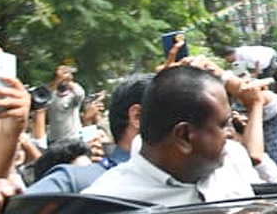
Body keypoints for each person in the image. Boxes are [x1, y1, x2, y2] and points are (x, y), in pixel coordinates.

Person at [83, 65, 256, 205]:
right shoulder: (107, 203)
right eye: (223, 124)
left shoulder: (234, 158)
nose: (230, 133)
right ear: (184, 136)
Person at [45, 64, 85, 145]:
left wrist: (68, 80)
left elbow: (80, 94)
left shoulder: (73, 95)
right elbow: (45, 101)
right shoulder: (52, 95)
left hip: (73, 138)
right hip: (54, 139)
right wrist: (58, 79)